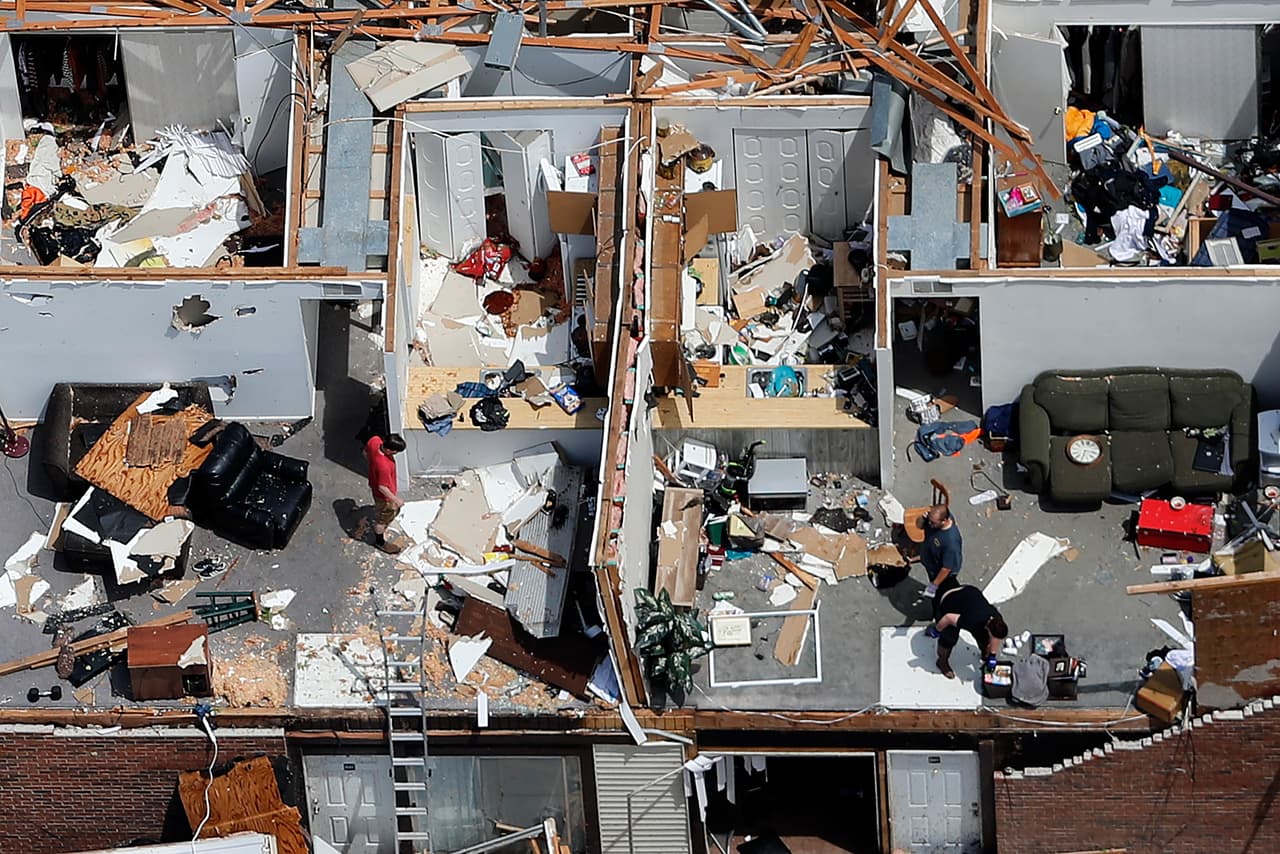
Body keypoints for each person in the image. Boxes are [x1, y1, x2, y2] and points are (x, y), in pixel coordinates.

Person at [930, 584, 1008, 679]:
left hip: (969, 595)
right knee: (949, 638)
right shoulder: (972, 621)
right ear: (989, 629)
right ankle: (941, 662)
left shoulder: (997, 618)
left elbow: (996, 637)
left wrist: (992, 655)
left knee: (985, 640)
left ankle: (985, 656)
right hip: (949, 603)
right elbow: (948, 618)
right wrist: (937, 630)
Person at [362, 433, 406, 554]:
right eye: (394, 452)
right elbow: (382, 487)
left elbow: (365, 453)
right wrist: (396, 500)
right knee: (382, 520)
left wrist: (373, 468)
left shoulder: (374, 440)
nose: (395, 454)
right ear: (387, 449)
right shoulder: (383, 466)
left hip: (374, 485)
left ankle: (382, 527)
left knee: (384, 512)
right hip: (384, 497)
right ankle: (380, 542)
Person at [918, 504, 961, 599]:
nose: (930, 524)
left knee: (941, 594)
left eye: (933, 523)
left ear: (944, 521)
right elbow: (919, 526)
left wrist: (933, 585)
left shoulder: (951, 542)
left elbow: (947, 568)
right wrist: (922, 518)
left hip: (938, 571)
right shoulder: (932, 522)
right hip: (929, 558)